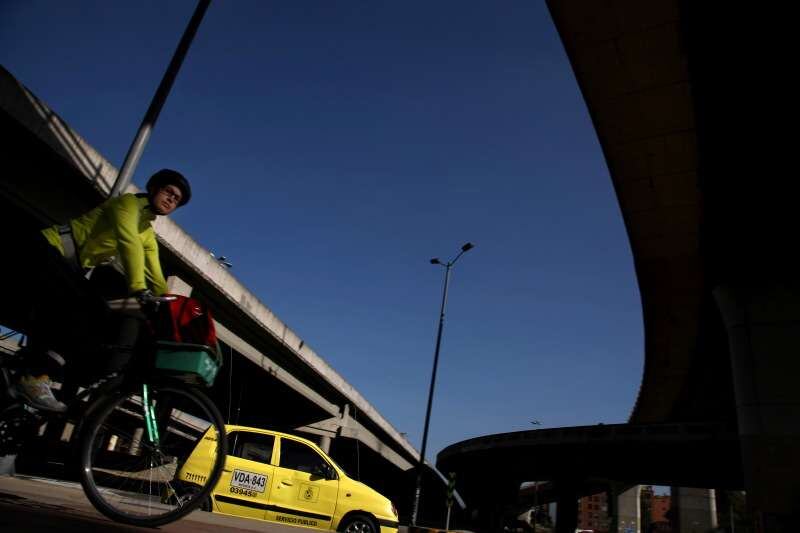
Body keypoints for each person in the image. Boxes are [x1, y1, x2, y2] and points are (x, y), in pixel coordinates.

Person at [13, 169, 192, 412]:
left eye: (177, 200)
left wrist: (170, 307)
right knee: (85, 308)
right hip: (48, 249)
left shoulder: (147, 232)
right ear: (153, 188)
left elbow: (155, 271)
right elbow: (129, 243)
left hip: (69, 267)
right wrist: (139, 288)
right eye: (168, 192)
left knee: (96, 316)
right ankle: (33, 378)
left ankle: (26, 377)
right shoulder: (127, 204)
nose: (171, 199)